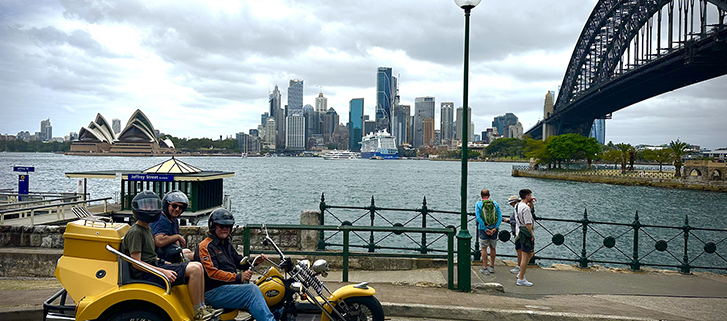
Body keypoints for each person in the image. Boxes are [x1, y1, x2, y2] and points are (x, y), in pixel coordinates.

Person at [121, 190, 223, 321]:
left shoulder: (147, 229)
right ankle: (198, 311)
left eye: (153, 206)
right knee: (195, 268)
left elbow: (150, 256)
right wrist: (164, 271)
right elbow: (136, 263)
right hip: (147, 274)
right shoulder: (136, 232)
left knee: (197, 265)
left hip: (154, 267)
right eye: (146, 206)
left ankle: (202, 306)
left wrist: (167, 265)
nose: (150, 209)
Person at [195, 208, 275, 321]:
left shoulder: (226, 243)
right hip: (213, 292)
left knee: (266, 287)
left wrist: (255, 261)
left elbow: (239, 261)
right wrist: (239, 277)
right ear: (213, 226)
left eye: (228, 226)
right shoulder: (205, 246)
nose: (225, 229)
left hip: (228, 288)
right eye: (221, 226)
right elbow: (212, 273)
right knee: (251, 291)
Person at [152, 190, 194, 262]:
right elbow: (159, 241)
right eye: (174, 206)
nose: (177, 209)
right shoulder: (162, 220)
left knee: (187, 251)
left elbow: (174, 241)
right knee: (194, 257)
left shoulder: (173, 220)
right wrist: (177, 237)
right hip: (159, 256)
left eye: (180, 207)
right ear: (167, 205)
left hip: (168, 252)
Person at [475, 189, 502, 274]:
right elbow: (500, 217)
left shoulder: (479, 204)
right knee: (493, 248)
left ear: (481, 195)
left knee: (483, 248)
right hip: (494, 229)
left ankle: (485, 268)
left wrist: (485, 228)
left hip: (483, 229)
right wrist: (495, 228)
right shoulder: (495, 204)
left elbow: (478, 217)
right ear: (489, 195)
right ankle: (492, 266)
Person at [515, 189, 536, 286]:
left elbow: (530, 209)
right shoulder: (525, 209)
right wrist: (531, 236)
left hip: (519, 231)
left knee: (530, 253)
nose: (531, 197)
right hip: (526, 233)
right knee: (526, 256)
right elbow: (528, 224)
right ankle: (521, 277)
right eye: (530, 195)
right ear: (527, 195)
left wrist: (531, 202)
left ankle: (521, 273)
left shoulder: (517, 205)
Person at [503, 195, 522, 275]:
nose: (511, 205)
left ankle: (520, 266)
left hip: (518, 233)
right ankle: (521, 266)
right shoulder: (518, 209)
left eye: (511, 204)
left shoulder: (517, 210)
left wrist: (508, 221)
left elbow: (518, 222)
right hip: (517, 232)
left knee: (519, 250)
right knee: (520, 250)